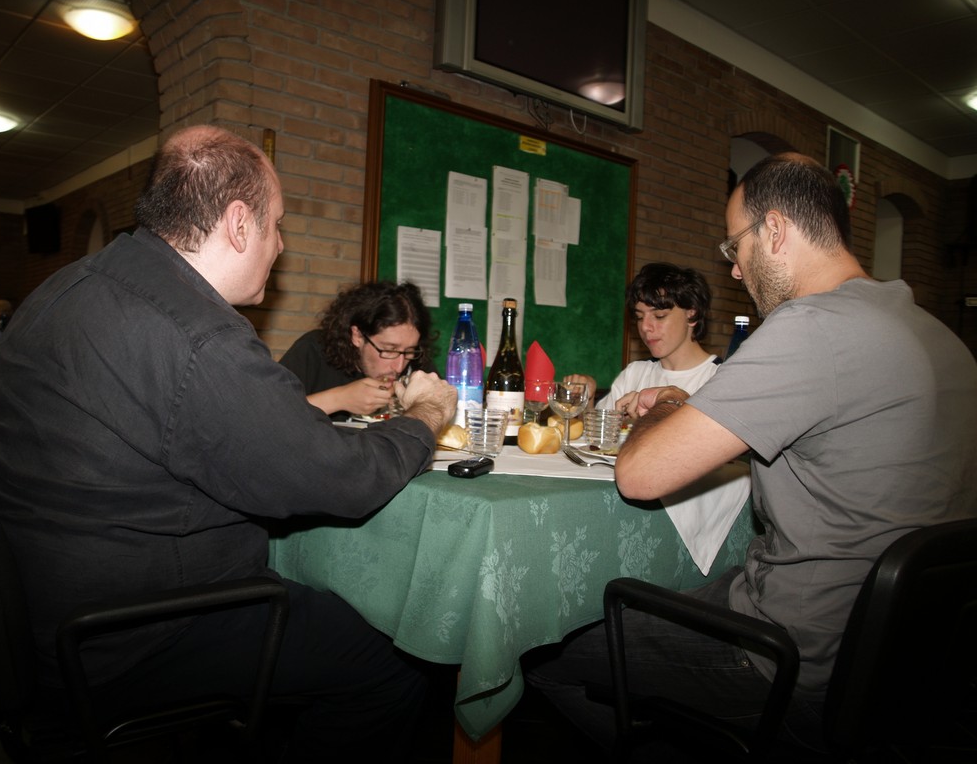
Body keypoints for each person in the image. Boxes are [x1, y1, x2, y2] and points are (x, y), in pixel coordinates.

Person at [0, 125, 458, 762]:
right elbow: (341, 480)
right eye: (278, 225)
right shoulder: (198, 335)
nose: (281, 245)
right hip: (122, 636)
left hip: (13, 619)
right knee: (394, 660)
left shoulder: (67, 285)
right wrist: (425, 417)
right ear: (239, 224)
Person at [526, 153, 977, 754]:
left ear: (775, 231)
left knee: (537, 654)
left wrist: (668, 402)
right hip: (912, 661)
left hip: (792, 656)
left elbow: (638, 475)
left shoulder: (809, 327)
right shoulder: (941, 337)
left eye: (734, 246)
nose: (736, 269)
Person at [564, 262, 719, 411]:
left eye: (659, 316)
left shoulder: (718, 378)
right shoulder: (634, 373)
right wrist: (587, 399)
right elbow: (600, 426)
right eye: (639, 317)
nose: (644, 327)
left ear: (691, 314)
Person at [279, 280, 434, 420]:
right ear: (358, 336)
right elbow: (271, 413)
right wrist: (340, 399)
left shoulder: (416, 362)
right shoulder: (313, 349)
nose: (399, 367)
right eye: (389, 350)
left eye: (409, 351)